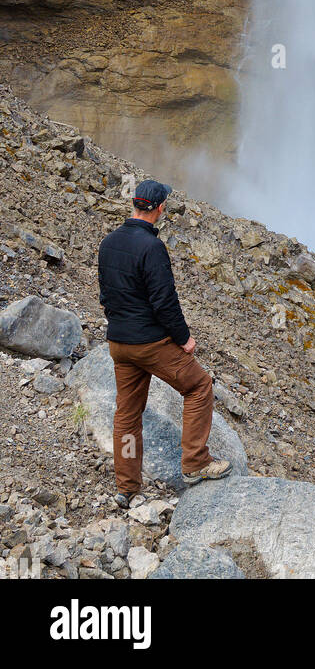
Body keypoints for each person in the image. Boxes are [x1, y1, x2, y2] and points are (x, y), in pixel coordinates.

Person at [97, 179, 231, 505]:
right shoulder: (151, 247)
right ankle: (196, 462)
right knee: (199, 386)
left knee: (127, 416)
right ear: (160, 208)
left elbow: (106, 295)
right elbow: (164, 301)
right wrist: (184, 339)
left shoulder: (109, 243)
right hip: (149, 344)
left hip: (120, 344)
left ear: (135, 204)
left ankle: (127, 487)